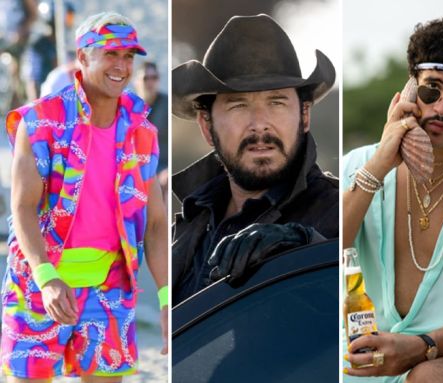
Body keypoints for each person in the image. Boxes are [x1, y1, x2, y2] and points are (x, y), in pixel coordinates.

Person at [1, 12, 168, 382]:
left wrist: (166, 296)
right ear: (83, 56)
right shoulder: (42, 122)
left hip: (108, 288)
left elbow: (155, 221)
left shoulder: (141, 130)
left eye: (128, 56)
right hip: (38, 284)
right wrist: (47, 277)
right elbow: (23, 208)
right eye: (111, 54)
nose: (121, 66)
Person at [342, 14, 443, 383]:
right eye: (431, 90)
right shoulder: (359, 166)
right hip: (359, 360)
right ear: (410, 89)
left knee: (435, 378)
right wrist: (381, 163)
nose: (441, 108)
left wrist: (421, 346)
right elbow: (325, 249)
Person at [171, 14, 338, 304]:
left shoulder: (339, 211)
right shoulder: (186, 226)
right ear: (206, 126)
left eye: (276, 102)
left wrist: (311, 249)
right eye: (239, 105)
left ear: (304, 115)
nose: (259, 124)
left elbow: (361, 302)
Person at [135, 60, 168, 172]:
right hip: (134, 170)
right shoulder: (127, 107)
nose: (150, 82)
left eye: (154, 77)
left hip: (162, 168)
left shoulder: (168, 105)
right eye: (146, 78)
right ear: (136, 81)